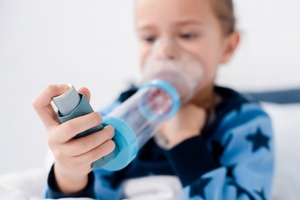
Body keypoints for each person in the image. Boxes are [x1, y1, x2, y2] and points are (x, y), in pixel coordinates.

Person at [32, 0, 275, 199]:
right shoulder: (118, 116)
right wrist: (70, 173)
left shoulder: (244, 123)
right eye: (149, 38)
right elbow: (96, 193)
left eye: (187, 35)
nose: (165, 51)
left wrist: (185, 139)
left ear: (228, 47)